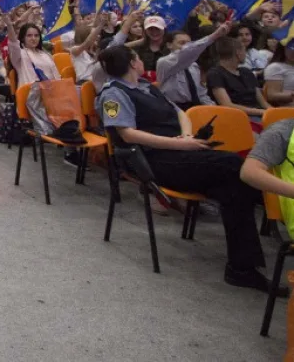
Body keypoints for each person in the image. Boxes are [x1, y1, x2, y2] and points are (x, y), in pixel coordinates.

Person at [94, 44, 272, 292]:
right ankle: (268, 212)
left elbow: (180, 114)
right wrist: (180, 145)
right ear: (133, 63)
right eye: (138, 58)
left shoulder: (146, 87)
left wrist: (187, 137)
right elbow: (127, 134)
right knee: (234, 165)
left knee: (234, 187)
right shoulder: (112, 95)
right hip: (152, 159)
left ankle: (242, 269)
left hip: (179, 153)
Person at [155, 22, 230, 109]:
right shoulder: (164, 62)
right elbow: (187, 52)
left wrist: (214, 109)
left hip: (196, 107)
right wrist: (214, 35)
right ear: (169, 45)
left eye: (189, 43)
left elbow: (201, 94)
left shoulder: (193, 66)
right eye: (182, 43)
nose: (186, 47)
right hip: (174, 109)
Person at [206, 36, 270, 120]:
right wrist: (261, 112)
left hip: (260, 113)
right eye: (244, 50)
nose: (245, 54)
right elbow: (227, 104)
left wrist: (275, 112)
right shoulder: (215, 74)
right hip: (236, 117)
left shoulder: (246, 72)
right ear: (237, 52)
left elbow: (263, 102)